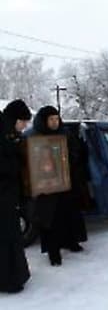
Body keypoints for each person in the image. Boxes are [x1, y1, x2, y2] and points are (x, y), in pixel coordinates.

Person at [28, 106, 88, 266]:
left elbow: (76, 153)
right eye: (51, 119)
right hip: (48, 187)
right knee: (51, 219)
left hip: (67, 183)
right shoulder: (36, 137)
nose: (55, 122)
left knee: (69, 215)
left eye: (56, 119)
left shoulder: (65, 133)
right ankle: (54, 253)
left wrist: (68, 162)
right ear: (44, 121)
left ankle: (71, 241)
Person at [0, 99, 31, 293]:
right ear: (14, 119)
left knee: (11, 237)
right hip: (2, 196)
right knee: (5, 239)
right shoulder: (3, 136)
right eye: (23, 122)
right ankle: (8, 280)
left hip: (7, 196)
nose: (25, 126)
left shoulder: (9, 134)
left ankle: (15, 276)